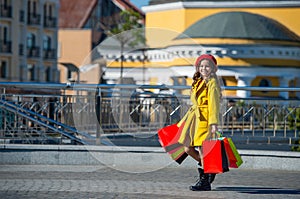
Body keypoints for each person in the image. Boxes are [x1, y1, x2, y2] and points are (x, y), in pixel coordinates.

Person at [177, 54, 222, 191]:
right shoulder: (198, 81)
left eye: (207, 66)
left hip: (205, 120)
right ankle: (210, 171)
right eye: (201, 66)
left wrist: (213, 123)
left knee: (203, 151)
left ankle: (205, 181)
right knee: (187, 148)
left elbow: (214, 104)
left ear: (213, 68)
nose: (204, 68)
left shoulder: (212, 83)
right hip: (194, 118)